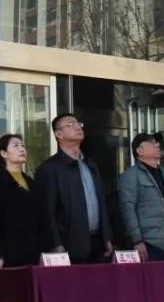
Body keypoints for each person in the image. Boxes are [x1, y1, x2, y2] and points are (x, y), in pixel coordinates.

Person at [34, 113, 113, 263]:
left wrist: (107, 237)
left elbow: (102, 203)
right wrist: (56, 244)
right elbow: (47, 212)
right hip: (69, 247)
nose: (77, 127)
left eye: (78, 124)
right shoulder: (50, 168)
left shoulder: (90, 164)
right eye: (70, 125)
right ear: (58, 134)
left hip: (98, 245)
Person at [118, 132, 164, 262]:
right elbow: (127, 208)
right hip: (148, 245)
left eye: (157, 142)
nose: (157, 145)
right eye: (152, 143)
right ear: (139, 150)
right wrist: (137, 240)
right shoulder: (131, 175)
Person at [0, 134, 39, 268]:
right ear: (4, 153)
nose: (22, 149)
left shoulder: (32, 183)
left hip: (33, 251)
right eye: (16, 146)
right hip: (9, 253)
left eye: (23, 146)